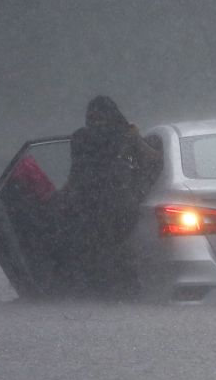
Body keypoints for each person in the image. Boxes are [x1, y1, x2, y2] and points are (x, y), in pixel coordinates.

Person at [54, 95, 163, 296]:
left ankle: (110, 290)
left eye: (100, 117)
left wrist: (135, 139)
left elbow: (153, 161)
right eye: (93, 118)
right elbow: (76, 172)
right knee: (104, 252)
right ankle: (112, 290)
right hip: (98, 205)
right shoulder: (88, 138)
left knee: (107, 252)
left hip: (109, 206)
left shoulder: (116, 136)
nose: (97, 123)